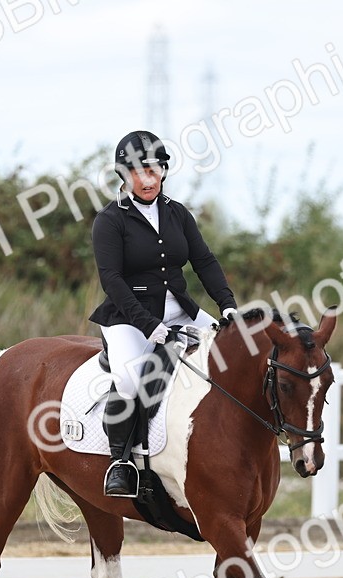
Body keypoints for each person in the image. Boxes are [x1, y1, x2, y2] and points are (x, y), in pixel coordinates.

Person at [89, 130, 238, 498]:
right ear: (123, 174)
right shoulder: (110, 220)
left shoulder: (177, 214)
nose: (147, 180)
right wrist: (148, 325)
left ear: (163, 172)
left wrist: (227, 305)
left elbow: (204, 260)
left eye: (153, 171)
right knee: (129, 379)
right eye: (137, 172)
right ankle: (121, 462)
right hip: (129, 319)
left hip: (181, 312)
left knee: (234, 353)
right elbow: (112, 280)